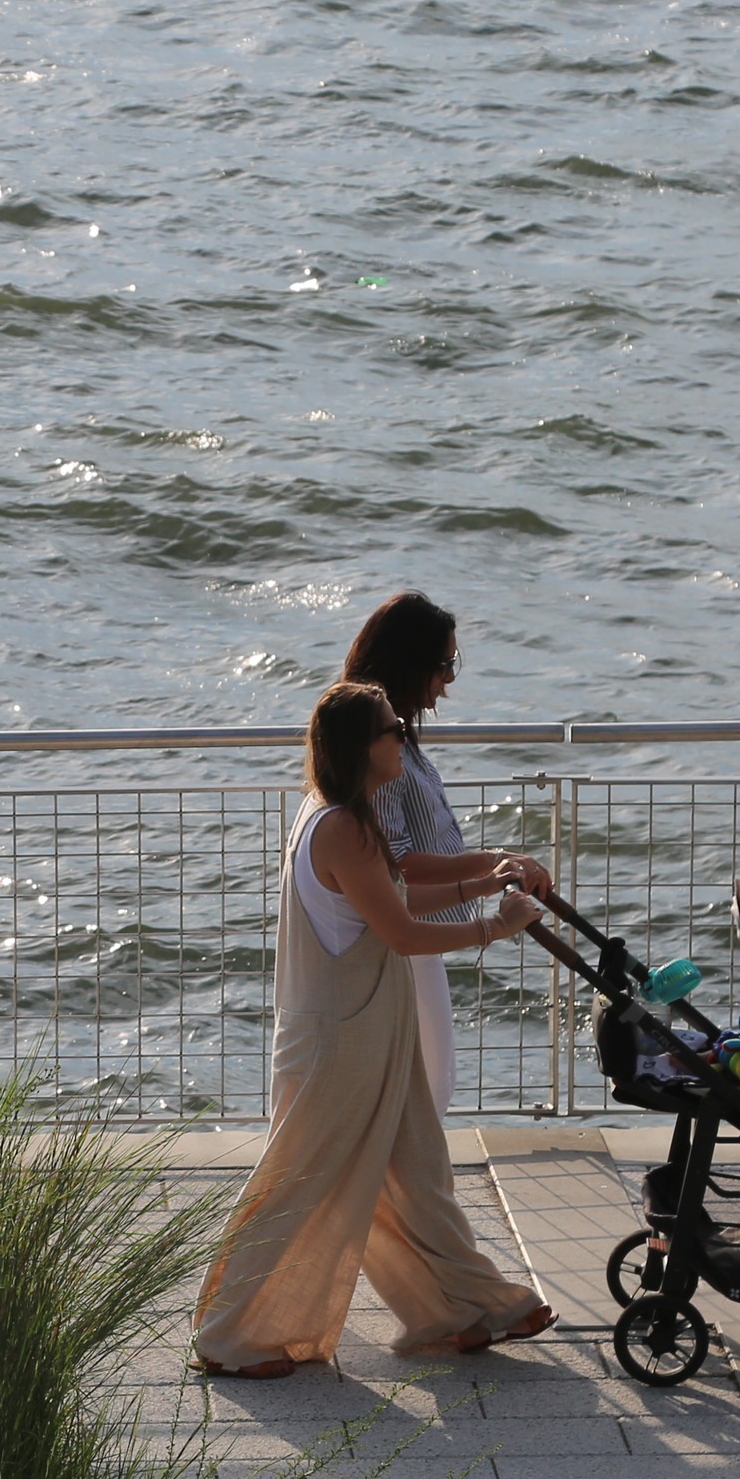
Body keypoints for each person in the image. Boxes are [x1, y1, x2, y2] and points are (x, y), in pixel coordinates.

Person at [191, 681, 558, 1379]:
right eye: (394, 730)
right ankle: (227, 1336)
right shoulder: (340, 826)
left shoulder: (337, 817)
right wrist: (496, 928)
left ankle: (463, 1309)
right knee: (301, 1181)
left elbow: (388, 896)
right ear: (364, 747)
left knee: (416, 1172)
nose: (405, 740)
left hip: (365, 1027)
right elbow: (399, 931)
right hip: (342, 1036)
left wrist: (485, 881)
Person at [344, 591, 551, 1107]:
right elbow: (401, 865)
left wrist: (494, 866)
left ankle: (406, 1182)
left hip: (417, 930)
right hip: (401, 936)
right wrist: (494, 866)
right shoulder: (379, 745)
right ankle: (412, 1183)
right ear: (409, 663)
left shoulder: (395, 735)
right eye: (442, 665)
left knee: (425, 1083)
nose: (448, 680)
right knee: (431, 1085)